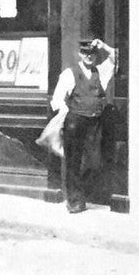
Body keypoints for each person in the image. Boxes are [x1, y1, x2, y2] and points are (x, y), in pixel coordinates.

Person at [51, 38, 117, 214]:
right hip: (75, 123)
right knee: (74, 162)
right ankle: (74, 201)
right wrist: (67, 113)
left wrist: (104, 46)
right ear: (80, 54)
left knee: (92, 162)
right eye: (85, 53)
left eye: (92, 53)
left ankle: (83, 196)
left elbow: (115, 56)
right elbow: (57, 99)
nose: (89, 56)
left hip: (94, 124)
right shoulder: (70, 73)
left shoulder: (100, 72)